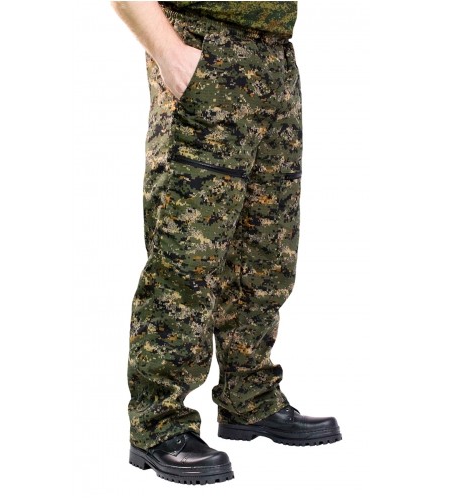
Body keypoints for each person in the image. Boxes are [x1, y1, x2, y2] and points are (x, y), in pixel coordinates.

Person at [111, 0, 342, 485]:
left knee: (266, 251)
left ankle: (249, 398)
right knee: (187, 258)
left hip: (275, 58)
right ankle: (159, 424)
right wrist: (169, 53)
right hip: (204, 52)